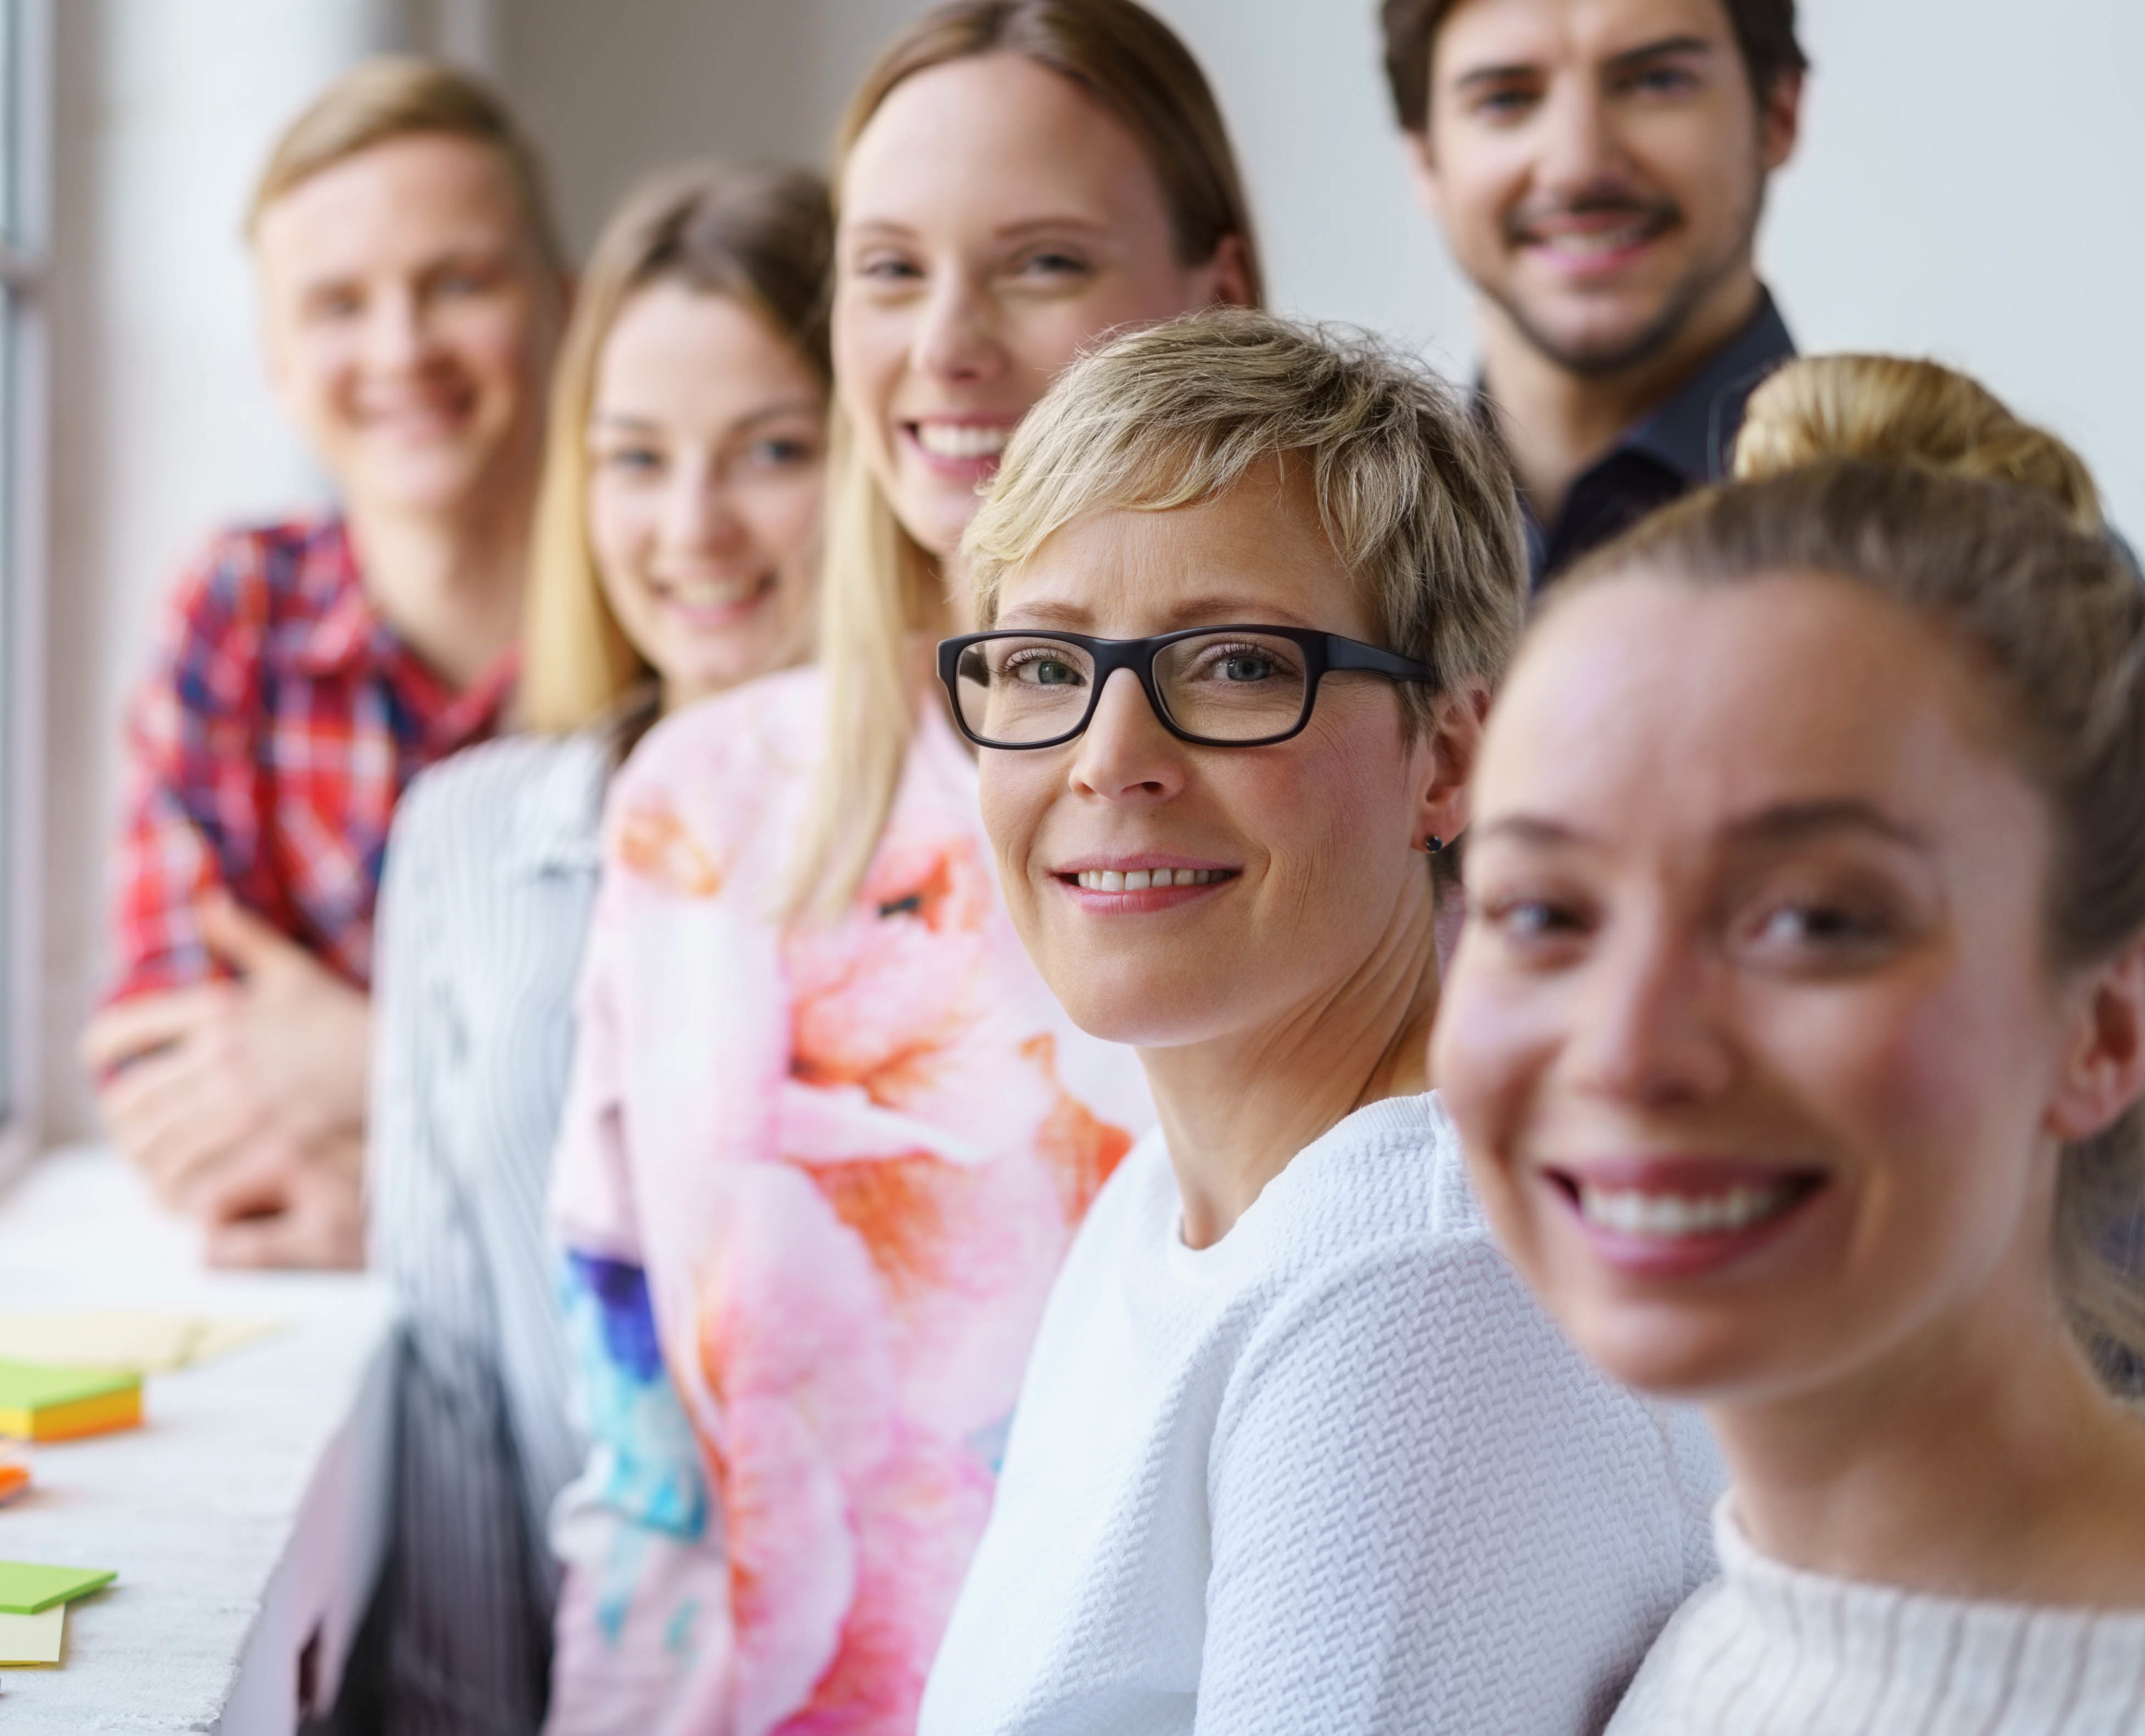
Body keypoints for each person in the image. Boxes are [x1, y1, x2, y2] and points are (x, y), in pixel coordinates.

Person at [542, 4, 1259, 1732]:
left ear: (1213, 306)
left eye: (1039, 263)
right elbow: (640, 1472)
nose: (944, 345)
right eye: (885, 269)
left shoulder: (1330, 797)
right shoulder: (697, 805)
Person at [920, 310, 1721, 1735]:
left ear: (1451, 758)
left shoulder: (1419, 1285)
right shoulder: (1172, 1194)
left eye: (1233, 664)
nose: (1112, 760)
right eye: (1043, 667)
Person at [1432, 358, 2145, 1732]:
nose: (1628, 1051)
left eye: (1814, 920)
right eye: (1543, 910)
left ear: (2104, 1023)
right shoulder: (1685, 1671)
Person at [365, 163, 834, 1736]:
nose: (692, 528)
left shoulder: (967, 861)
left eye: (774, 449)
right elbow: (443, 1370)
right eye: (635, 459)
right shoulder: (472, 835)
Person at [78, 57, 568, 1268]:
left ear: (563, 304)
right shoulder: (235, 609)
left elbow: (702, 1107)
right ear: (278, 357)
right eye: (338, 304)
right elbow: (172, 1068)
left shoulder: (681, 604)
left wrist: (372, 1067)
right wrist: (472, 1129)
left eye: (457, 282)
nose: (401, 348)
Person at [1381, 0, 1805, 583]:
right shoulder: (1331, 554)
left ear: (1779, 112)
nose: (1578, 168)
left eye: (1657, 81)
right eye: (1506, 98)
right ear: (1424, 156)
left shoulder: (1943, 554)